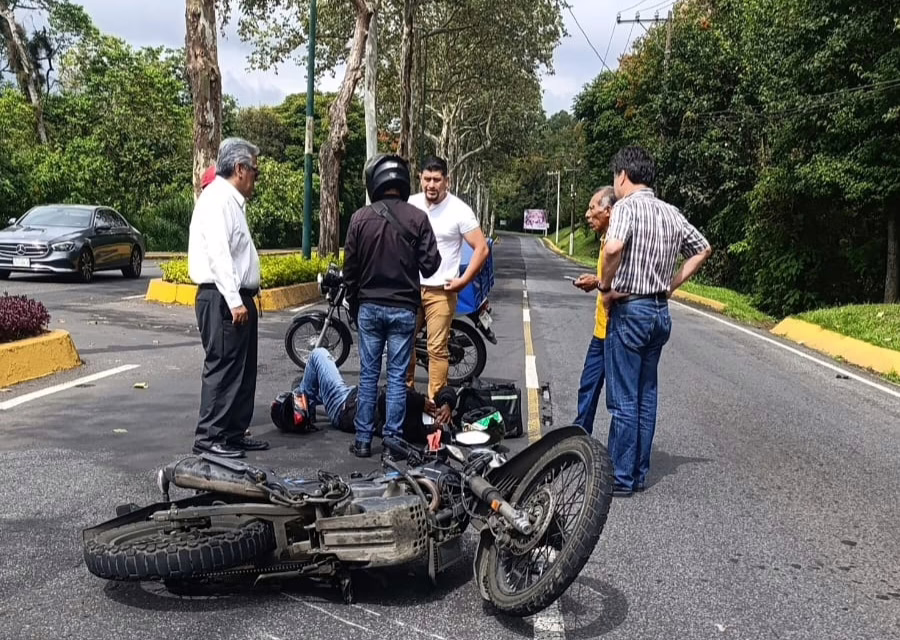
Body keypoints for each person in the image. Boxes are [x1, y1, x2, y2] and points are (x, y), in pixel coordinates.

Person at [598, 147, 712, 496]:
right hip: (660, 311)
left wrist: (605, 285)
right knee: (647, 394)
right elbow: (703, 248)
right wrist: (672, 284)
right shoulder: (671, 212)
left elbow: (614, 248)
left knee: (624, 397)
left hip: (631, 308)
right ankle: (638, 471)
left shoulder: (625, 208)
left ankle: (620, 475)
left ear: (622, 176)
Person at [343, 154, 442, 458]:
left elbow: (350, 271)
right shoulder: (417, 218)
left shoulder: (359, 218)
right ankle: (393, 442)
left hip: (370, 308)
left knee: (369, 374)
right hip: (404, 310)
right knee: (398, 377)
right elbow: (431, 266)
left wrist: (357, 299)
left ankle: (362, 440)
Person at [187, 137, 267, 459]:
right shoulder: (217, 199)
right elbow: (219, 254)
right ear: (239, 169)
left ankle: (233, 433)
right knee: (223, 368)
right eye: (255, 172)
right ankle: (209, 438)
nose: (255, 179)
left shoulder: (231, 201)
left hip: (235, 297)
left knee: (243, 370)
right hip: (221, 297)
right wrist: (234, 300)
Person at [407, 156, 490, 399]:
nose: (431, 185)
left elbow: (482, 248)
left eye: (437, 180)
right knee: (404, 345)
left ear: (447, 182)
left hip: (441, 291)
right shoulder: (411, 204)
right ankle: (406, 398)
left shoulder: (459, 210)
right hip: (411, 288)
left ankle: (435, 404)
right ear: (420, 179)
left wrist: (463, 281)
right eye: (427, 179)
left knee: (436, 349)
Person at [275, 348, 455, 448]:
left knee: (318, 355)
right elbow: (447, 390)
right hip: (356, 395)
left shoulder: (417, 427)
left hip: (346, 406)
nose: (440, 419)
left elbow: (387, 401)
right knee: (314, 383)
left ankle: (302, 407)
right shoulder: (441, 412)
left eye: (439, 423)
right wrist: (447, 404)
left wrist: (421, 402)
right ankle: (307, 399)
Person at [571, 186, 617, 435]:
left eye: (592, 208)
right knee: (588, 386)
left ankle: (618, 457)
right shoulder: (605, 239)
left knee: (619, 399)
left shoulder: (618, 241)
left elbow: (621, 282)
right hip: (600, 330)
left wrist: (597, 283)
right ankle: (579, 438)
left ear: (608, 210)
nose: (588, 215)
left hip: (617, 332)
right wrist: (596, 279)